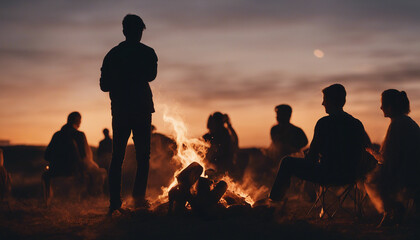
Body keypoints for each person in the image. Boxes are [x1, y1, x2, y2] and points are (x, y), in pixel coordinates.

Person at [269, 84, 373, 202]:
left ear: (331, 101)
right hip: (351, 175)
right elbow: (364, 149)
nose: (322, 103)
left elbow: (311, 158)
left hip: (328, 174)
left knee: (287, 162)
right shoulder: (356, 123)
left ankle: (273, 202)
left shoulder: (324, 123)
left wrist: (307, 155)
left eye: (324, 99)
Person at [100, 14, 158, 214]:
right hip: (140, 109)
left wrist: (120, 78)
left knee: (118, 157)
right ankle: (137, 200)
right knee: (143, 157)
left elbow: (103, 85)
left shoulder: (112, 55)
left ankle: (116, 202)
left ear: (124, 31)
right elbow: (151, 75)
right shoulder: (148, 52)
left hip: (122, 110)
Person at [365, 89, 420, 227]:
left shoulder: (396, 125)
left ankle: (392, 210)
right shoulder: (409, 122)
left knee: (370, 180)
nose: (381, 107)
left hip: (406, 174)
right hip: (413, 171)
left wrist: (372, 152)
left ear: (390, 106)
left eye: (383, 104)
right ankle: (394, 211)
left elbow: (388, 159)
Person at [42, 112, 106, 205]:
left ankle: (47, 201)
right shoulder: (79, 135)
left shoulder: (56, 135)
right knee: (101, 172)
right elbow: (85, 157)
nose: (80, 123)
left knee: (45, 175)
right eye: (80, 121)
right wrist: (94, 166)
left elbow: (46, 155)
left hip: (56, 170)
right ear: (77, 121)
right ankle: (94, 199)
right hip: (74, 169)